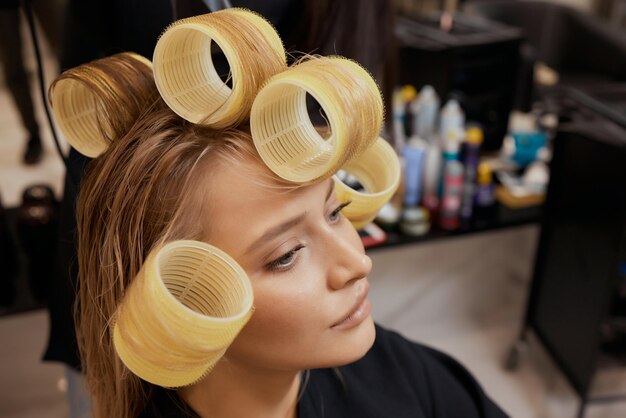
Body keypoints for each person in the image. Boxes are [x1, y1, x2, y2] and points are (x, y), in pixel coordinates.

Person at [53, 9, 507, 418]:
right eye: (287, 255)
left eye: (334, 211)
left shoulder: (397, 372)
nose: (358, 263)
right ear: (183, 300)